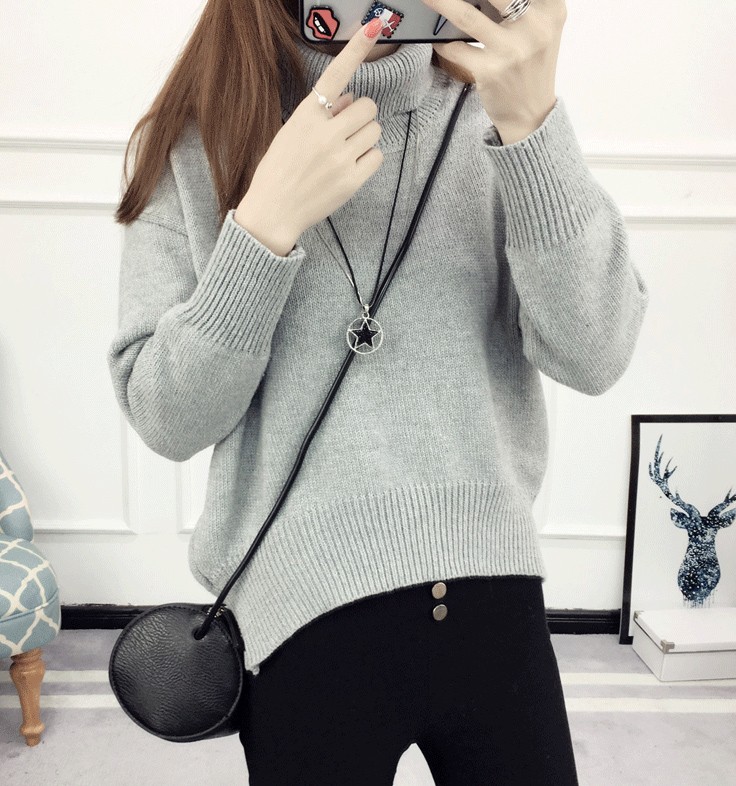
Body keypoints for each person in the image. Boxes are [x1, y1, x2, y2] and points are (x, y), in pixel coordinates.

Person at [107, 0, 648, 782]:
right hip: (298, 611)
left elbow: (595, 354)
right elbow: (169, 419)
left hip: (495, 598)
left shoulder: (493, 110)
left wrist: (534, 125)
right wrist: (263, 227)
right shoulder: (200, 137)